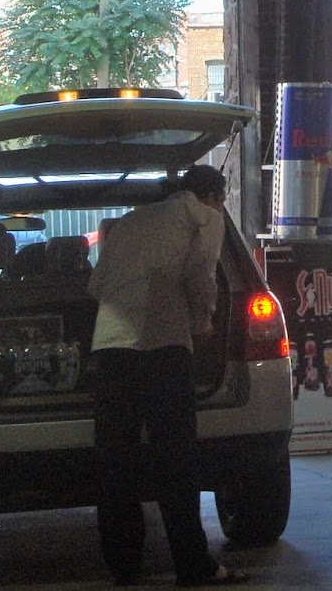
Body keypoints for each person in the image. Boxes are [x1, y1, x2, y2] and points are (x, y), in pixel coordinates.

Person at [88, 163, 244, 587]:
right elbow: (201, 275)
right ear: (214, 196)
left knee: (116, 461)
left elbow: (96, 285)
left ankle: (123, 566)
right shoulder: (204, 217)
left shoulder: (131, 222)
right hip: (163, 347)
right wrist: (203, 323)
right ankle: (193, 566)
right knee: (175, 462)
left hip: (110, 348)